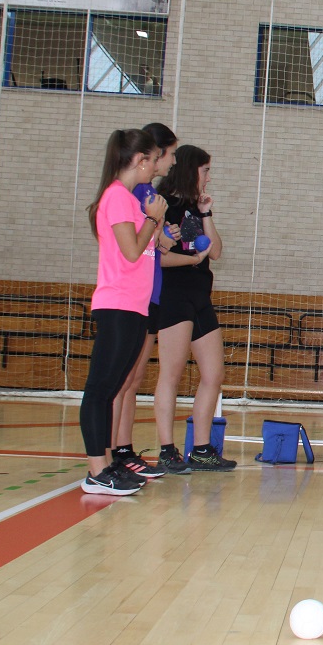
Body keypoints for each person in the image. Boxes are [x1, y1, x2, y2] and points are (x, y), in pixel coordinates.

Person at [79, 129, 166, 496]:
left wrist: (154, 221)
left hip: (134, 306)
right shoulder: (116, 197)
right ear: (141, 159)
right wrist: (152, 219)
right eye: (153, 159)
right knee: (100, 390)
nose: (155, 167)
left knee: (114, 386)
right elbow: (131, 252)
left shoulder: (131, 201)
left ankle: (110, 461)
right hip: (116, 305)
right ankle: (96, 470)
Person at [151, 144, 234, 473]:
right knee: (171, 374)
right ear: (190, 170)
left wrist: (206, 212)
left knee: (214, 374)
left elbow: (215, 253)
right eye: (205, 171)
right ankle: (166, 449)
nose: (209, 178)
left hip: (200, 295)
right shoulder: (163, 206)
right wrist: (192, 258)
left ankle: (201, 448)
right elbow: (158, 258)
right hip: (174, 294)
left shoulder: (195, 207)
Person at [109, 122, 177, 480]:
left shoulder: (147, 193)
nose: (171, 160)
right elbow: (134, 247)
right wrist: (156, 222)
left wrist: (164, 233)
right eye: (169, 154)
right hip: (133, 295)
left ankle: (123, 447)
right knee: (123, 380)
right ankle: (115, 451)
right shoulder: (135, 194)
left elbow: (156, 244)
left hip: (150, 292)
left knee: (132, 380)